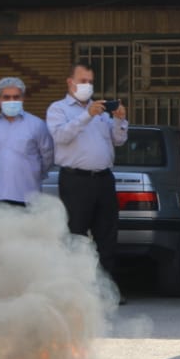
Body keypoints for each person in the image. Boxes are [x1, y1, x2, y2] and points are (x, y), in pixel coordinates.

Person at [47, 62, 129, 288]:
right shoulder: (58, 109)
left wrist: (120, 119)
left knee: (107, 236)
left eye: (90, 82)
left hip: (103, 179)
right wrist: (86, 116)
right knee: (76, 235)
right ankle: (76, 289)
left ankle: (107, 289)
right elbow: (61, 136)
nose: (87, 86)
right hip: (76, 180)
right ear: (70, 82)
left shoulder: (100, 110)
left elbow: (119, 141)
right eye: (83, 81)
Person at [0, 77, 54, 206]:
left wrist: (33, 173)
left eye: (16, 97)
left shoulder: (37, 125)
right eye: (6, 97)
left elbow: (48, 156)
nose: (11, 101)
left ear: (23, 98)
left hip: (28, 195)